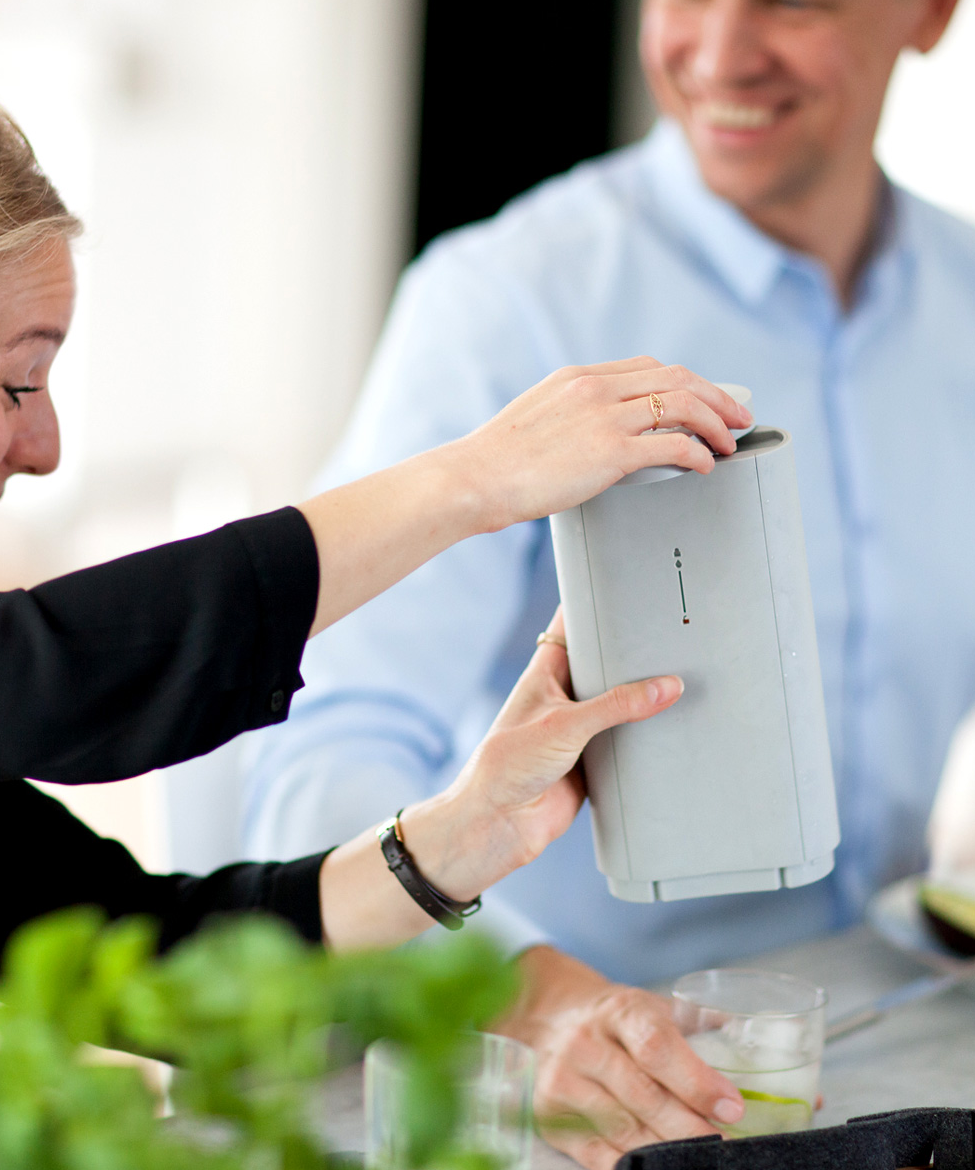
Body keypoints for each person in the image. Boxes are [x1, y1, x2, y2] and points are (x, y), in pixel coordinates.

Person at [0, 59, 754, 1167]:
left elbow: (152, 957)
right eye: (17, 384)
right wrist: (472, 484)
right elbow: (49, 678)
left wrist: (460, 837)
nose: (44, 446)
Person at [242, 0, 972, 1165]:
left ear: (929, 15)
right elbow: (315, 752)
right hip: (591, 1095)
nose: (721, 52)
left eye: (794, 0)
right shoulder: (505, 300)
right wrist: (533, 996)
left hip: (906, 1055)